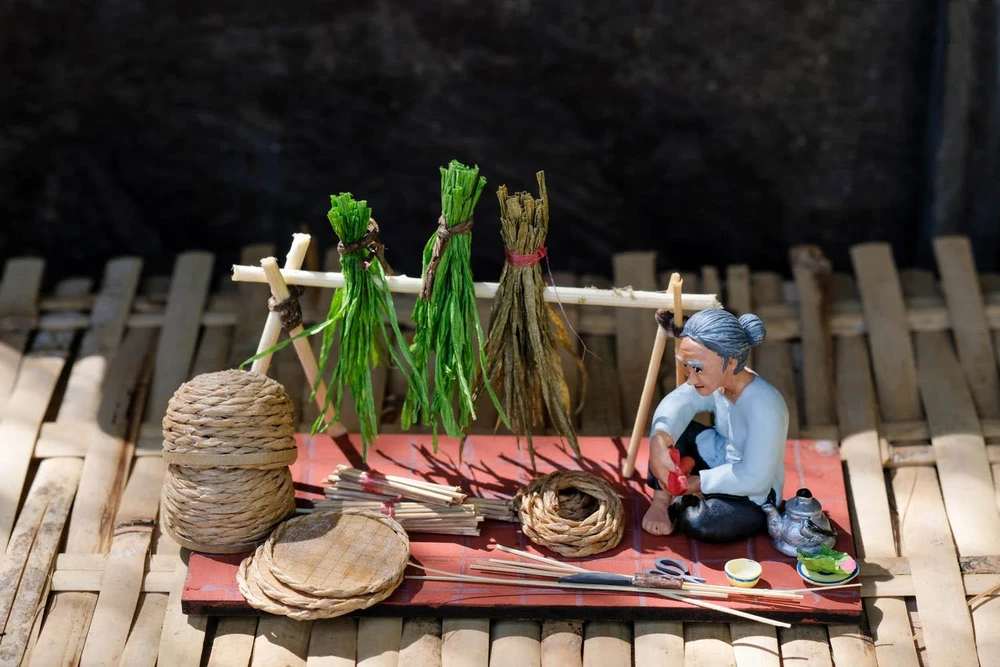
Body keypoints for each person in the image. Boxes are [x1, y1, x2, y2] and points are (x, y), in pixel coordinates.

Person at [641, 309, 789, 541]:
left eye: (697, 369)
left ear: (730, 363)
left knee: (702, 523)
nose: (691, 378)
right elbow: (680, 401)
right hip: (716, 454)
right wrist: (661, 439)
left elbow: (756, 476)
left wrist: (699, 482)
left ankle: (683, 500)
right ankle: (661, 500)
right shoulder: (716, 382)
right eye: (686, 367)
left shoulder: (765, 404)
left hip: (750, 489)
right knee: (670, 431)